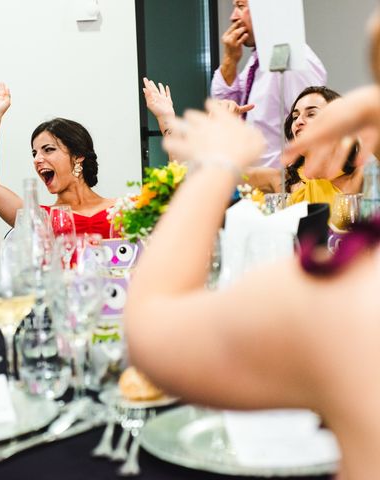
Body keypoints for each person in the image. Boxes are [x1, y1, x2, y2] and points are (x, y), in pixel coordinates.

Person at [124, 96, 380, 478]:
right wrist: (168, 120)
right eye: (294, 116)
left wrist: (216, 161)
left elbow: (152, 326)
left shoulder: (344, 288)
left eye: (314, 114)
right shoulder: (292, 187)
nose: (297, 123)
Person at [0, 83, 115, 238]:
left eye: (48, 149)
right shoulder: (40, 220)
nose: (37, 159)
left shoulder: (124, 210)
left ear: (78, 155)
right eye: (34, 153)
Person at [211, 0, 326, 167]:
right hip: (253, 185)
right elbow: (224, 108)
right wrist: (230, 60)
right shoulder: (258, 60)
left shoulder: (295, 59)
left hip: (283, 187)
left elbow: (313, 134)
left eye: (241, 6)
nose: (233, 17)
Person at [246, 86, 363, 207]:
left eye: (311, 114)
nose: (298, 121)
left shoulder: (359, 176)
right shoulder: (279, 180)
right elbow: (232, 174)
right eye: (295, 117)